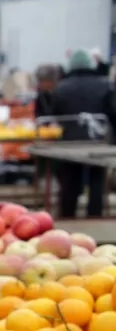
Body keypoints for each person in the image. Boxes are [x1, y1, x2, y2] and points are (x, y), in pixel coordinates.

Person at [51, 49, 114, 219]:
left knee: (70, 180)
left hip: (69, 142)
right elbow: (112, 112)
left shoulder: (62, 87)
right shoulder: (105, 84)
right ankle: (94, 214)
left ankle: (67, 214)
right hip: (98, 141)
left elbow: (55, 114)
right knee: (96, 178)